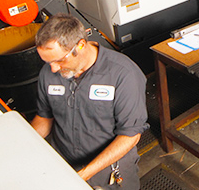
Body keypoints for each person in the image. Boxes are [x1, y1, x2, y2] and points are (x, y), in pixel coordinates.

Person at [31, 13, 148, 190]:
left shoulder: (123, 74)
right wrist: (22, 144)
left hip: (108, 172)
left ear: (80, 45)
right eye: (48, 62)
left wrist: (84, 174)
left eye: (59, 60)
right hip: (63, 164)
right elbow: (44, 117)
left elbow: (130, 135)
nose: (53, 68)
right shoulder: (48, 72)